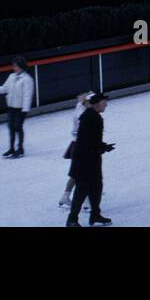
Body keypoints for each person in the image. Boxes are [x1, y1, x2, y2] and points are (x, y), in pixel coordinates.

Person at [66, 92, 113, 226]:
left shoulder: (92, 116)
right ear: (97, 104)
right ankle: (72, 220)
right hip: (85, 162)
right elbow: (88, 142)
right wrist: (102, 147)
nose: (106, 105)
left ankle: (95, 215)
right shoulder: (91, 118)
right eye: (104, 103)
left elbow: (91, 140)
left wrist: (103, 146)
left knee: (96, 187)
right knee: (82, 191)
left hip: (90, 160)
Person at [0, 55, 35, 158]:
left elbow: (28, 95)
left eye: (16, 66)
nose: (14, 68)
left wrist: (25, 109)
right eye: (13, 66)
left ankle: (20, 149)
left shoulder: (27, 79)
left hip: (21, 108)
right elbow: (4, 89)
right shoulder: (11, 77)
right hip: (11, 107)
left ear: (21, 66)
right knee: (11, 127)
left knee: (18, 127)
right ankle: (11, 148)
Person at [59, 92, 92, 207]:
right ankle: (87, 201)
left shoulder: (79, 107)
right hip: (82, 145)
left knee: (76, 173)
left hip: (76, 143)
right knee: (87, 173)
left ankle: (65, 196)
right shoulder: (84, 112)